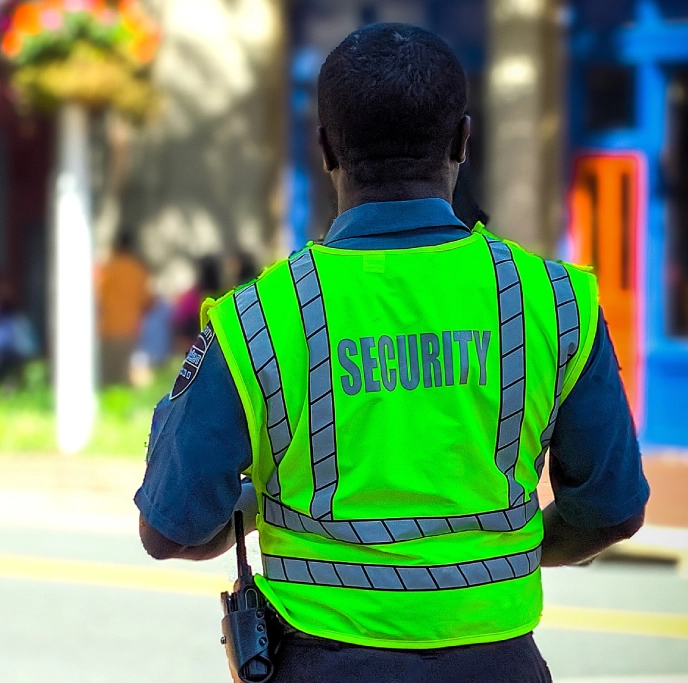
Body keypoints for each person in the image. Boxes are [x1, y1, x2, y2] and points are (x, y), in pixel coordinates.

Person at [135, 24, 649, 683]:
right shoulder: (556, 301)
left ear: (324, 148)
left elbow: (169, 528)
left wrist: (261, 504)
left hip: (318, 664)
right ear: (464, 138)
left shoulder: (258, 317)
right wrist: (497, 556)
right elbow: (612, 508)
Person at [97, 231, 153, 385]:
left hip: (106, 330)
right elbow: (148, 302)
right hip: (129, 331)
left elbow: (96, 298)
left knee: (106, 379)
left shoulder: (108, 269)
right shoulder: (138, 270)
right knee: (123, 380)